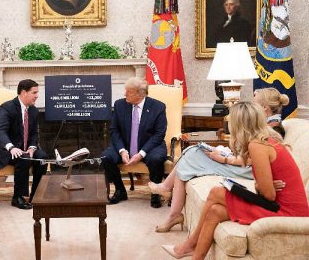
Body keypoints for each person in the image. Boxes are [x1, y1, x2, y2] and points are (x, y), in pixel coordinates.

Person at [162, 102, 309, 259]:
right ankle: (194, 253)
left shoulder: (257, 145)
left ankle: (189, 245)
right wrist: (264, 185)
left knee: (216, 193)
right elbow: (268, 190)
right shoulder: (264, 141)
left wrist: (260, 185)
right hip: (282, 206)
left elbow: (269, 195)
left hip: (287, 212)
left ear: (239, 125)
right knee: (215, 211)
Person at [148, 87, 289, 233]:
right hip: (242, 164)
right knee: (191, 153)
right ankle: (172, 208)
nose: (251, 107)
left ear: (264, 108)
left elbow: (253, 161)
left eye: (254, 103)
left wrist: (224, 159)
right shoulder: (265, 126)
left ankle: (169, 199)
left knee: (191, 155)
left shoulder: (274, 130)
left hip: (246, 170)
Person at [102, 77, 167, 207]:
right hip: (125, 145)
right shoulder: (120, 105)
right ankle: (120, 190)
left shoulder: (158, 107)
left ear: (140, 94)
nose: (125, 94)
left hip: (150, 146)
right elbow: (114, 131)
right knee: (106, 157)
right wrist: (122, 150)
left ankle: (155, 193)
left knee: (156, 159)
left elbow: (159, 134)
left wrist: (141, 154)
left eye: (128, 92)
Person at [0, 79, 48, 210]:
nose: (37, 95)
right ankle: (17, 197)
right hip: (5, 149)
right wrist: (11, 147)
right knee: (23, 158)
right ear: (24, 92)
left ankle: (36, 195)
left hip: (24, 148)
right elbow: (0, 131)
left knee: (42, 157)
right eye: (34, 92)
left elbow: (33, 134)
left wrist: (32, 147)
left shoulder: (33, 111)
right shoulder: (6, 108)